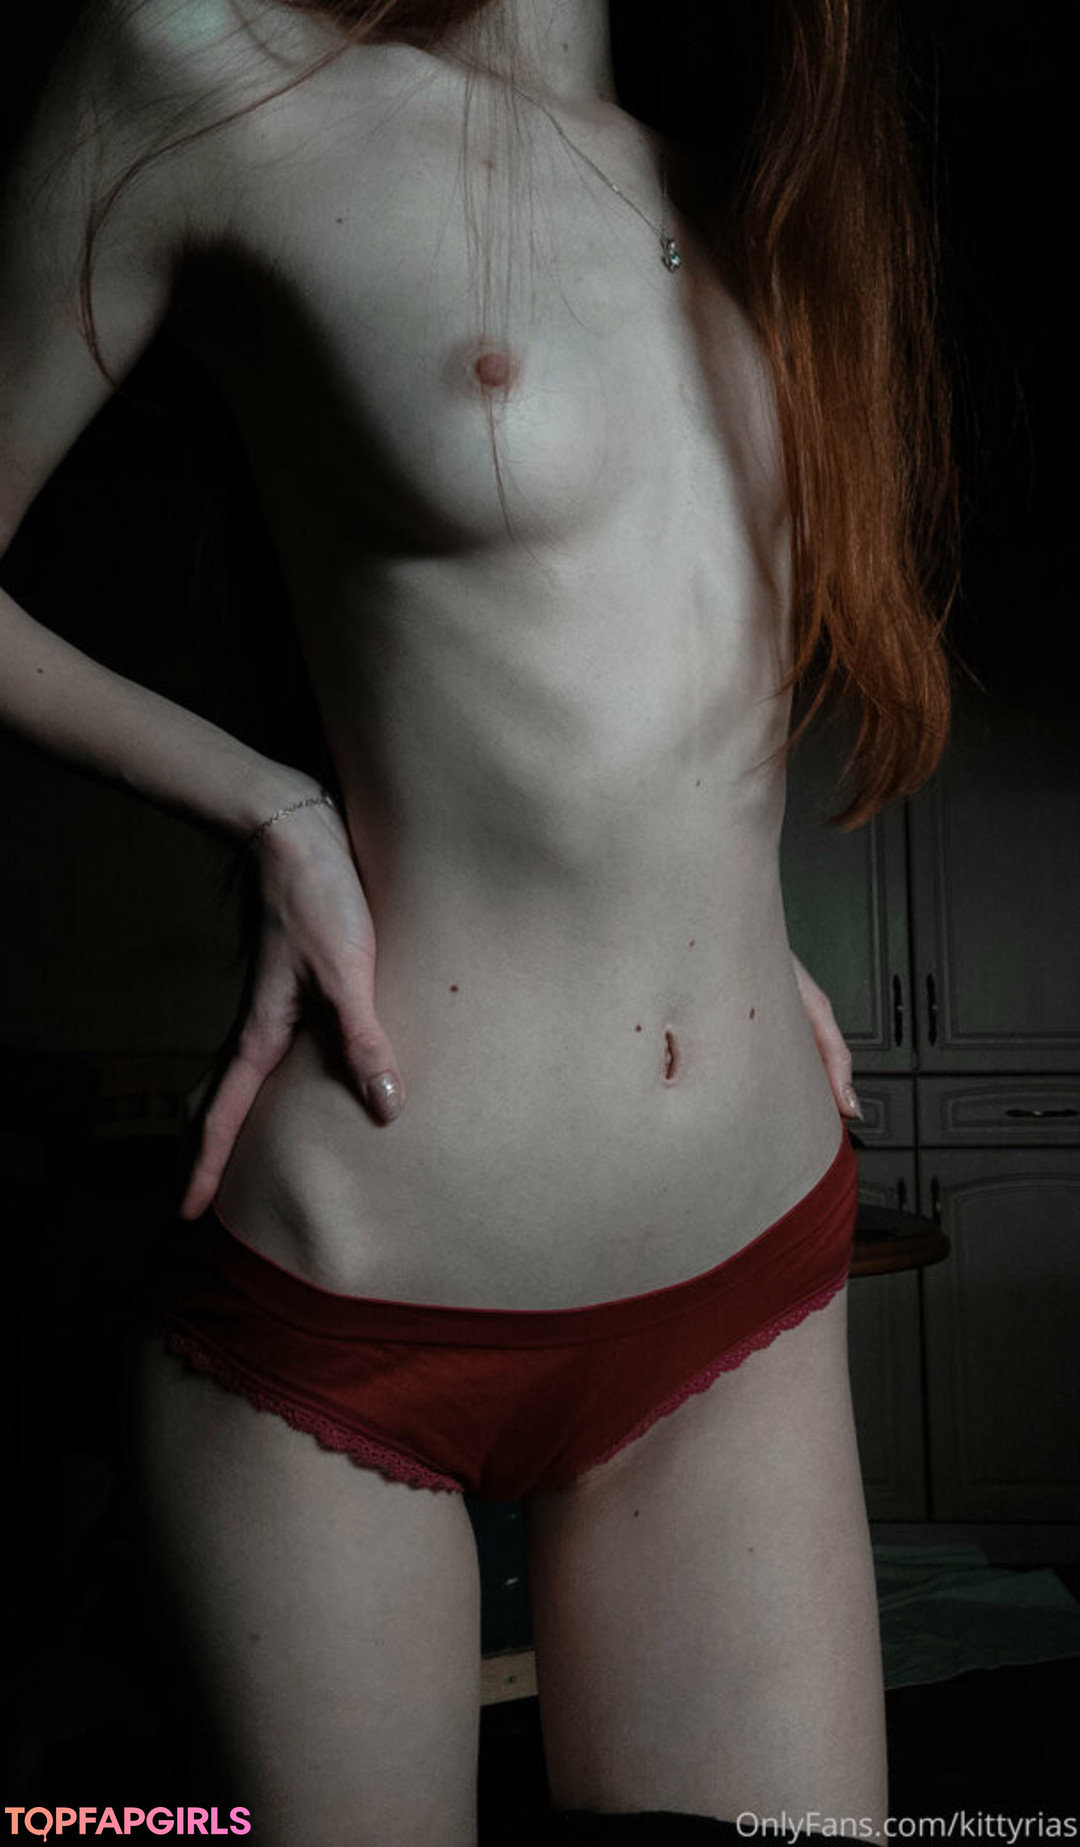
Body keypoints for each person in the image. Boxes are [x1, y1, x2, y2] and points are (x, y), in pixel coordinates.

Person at [0, 0, 956, 1840]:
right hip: (350, 1310)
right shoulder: (203, 68)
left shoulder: (757, 184)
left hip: (746, 1270)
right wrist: (270, 805)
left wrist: (720, 931)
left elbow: (651, 676)